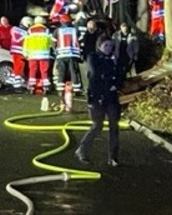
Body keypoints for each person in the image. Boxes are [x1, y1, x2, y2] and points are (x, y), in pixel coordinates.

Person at [75, 36, 124, 167]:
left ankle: (113, 157)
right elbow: (94, 75)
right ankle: (82, 150)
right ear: (99, 46)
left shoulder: (114, 59)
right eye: (106, 46)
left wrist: (117, 84)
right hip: (97, 96)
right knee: (97, 125)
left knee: (114, 126)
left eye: (110, 46)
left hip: (111, 96)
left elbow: (120, 74)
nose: (109, 48)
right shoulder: (93, 57)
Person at [23, 16, 55, 94]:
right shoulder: (46, 30)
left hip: (32, 54)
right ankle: (46, 86)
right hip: (44, 54)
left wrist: (25, 53)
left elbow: (26, 42)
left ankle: (31, 86)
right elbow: (51, 42)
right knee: (44, 70)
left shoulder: (30, 30)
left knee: (33, 70)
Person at [53, 14, 83, 93]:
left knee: (61, 72)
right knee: (73, 71)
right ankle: (76, 89)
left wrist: (55, 51)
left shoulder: (57, 30)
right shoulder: (75, 30)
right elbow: (80, 40)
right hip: (72, 54)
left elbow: (54, 42)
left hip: (61, 55)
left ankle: (60, 89)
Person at [8, 16, 32, 90]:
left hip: (13, 51)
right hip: (21, 52)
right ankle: (17, 86)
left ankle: (9, 82)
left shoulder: (13, 29)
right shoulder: (27, 33)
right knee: (19, 68)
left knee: (15, 67)